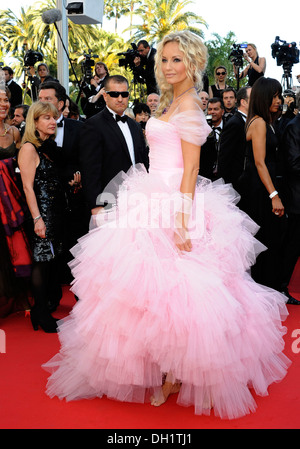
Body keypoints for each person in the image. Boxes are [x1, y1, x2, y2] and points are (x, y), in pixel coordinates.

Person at [43, 31, 290, 420]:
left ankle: (178, 373)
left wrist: (181, 218)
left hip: (174, 200)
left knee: (183, 292)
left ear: (192, 63)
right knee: (146, 291)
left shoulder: (190, 105)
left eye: (177, 60)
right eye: (165, 60)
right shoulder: (175, 101)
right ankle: (163, 366)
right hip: (148, 194)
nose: (169, 66)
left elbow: (191, 167)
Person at [18, 101, 66, 332]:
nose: (52, 122)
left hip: (54, 213)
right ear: (34, 122)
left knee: (49, 264)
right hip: (42, 214)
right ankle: (41, 313)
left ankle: (41, 311)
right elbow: (28, 187)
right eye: (46, 118)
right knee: (42, 262)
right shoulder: (29, 148)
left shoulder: (49, 147)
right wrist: (38, 219)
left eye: (53, 117)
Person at [38, 81, 89, 289]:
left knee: (76, 248)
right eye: (40, 100)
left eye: (47, 99)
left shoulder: (80, 128)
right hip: (46, 202)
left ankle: (80, 294)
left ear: (61, 104)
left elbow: (87, 160)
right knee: (48, 253)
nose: (42, 103)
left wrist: (79, 178)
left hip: (75, 201)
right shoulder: (32, 132)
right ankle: (50, 297)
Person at [78, 74, 149, 216]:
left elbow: (142, 162)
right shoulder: (93, 125)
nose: (120, 98)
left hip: (138, 200)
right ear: (105, 96)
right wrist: (96, 204)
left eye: (124, 94)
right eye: (115, 94)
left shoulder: (135, 126)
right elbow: (90, 169)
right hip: (109, 202)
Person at [239, 77, 285, 290]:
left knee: (269, 242)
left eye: (279, 95)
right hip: (260, 191)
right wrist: (273, 195)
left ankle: (268, 290)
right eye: (274, 96)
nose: (279, 100)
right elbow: (259, 162)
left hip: (263, 188)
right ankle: (262, 292)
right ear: (264, 97)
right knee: (264, 242)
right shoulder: (258, 122)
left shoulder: (266, 122)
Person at [0, 81, 32, 318]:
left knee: (15, 245)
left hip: (13, 197)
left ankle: (16, 295)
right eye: (0, 100)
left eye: (6, 99)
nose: (4, 104)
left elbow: (22, 164)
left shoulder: (14, 132)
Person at [279, 91, 300, 305]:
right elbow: (293, 164)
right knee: (293, 245)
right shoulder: (294, 127)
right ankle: (282, 287)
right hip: (296, 199)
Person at [218, 86, 251, 192]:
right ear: (243, 102)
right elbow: (225, 157)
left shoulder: (245, 120)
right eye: (253, 98)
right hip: (236, 184)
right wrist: (227, 187)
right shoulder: (235, 123)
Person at [199, 97, 224, 180]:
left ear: (222, 111)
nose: (212, 112)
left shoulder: (229, 127)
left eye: (216, 109)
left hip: (223, 175)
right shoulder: (201, 128)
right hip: (205, 176)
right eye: (210, 109)